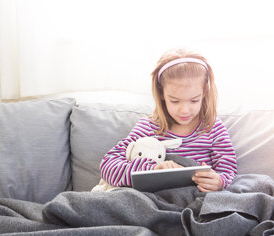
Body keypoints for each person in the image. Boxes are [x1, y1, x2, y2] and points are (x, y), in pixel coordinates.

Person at [99, 48, 237, 192]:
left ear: (205, 94)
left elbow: (228, 171)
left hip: (194, 199)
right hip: (153, 201)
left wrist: (219, 182)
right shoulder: (148, 127)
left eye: (194, 100)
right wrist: (152, 169)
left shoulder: (213, 128)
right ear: (162, 94)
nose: (184, 110)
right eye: (175, 101)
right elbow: (108, 165)